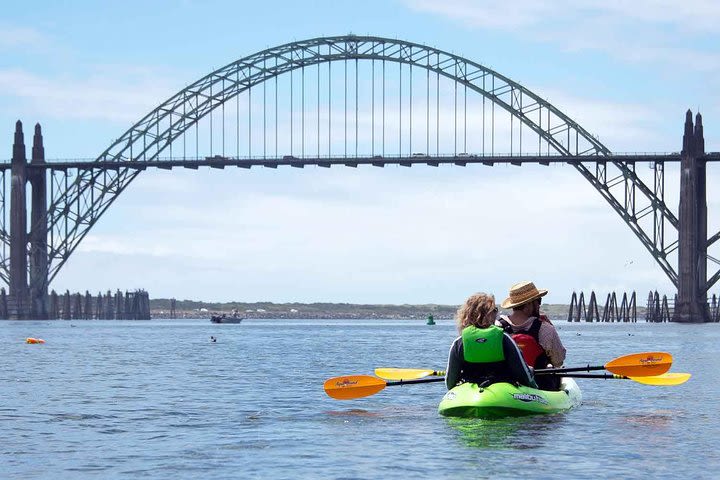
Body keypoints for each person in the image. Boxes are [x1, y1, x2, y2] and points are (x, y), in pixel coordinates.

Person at [445, 292, 537, 390]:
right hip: (503, 392)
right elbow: (523, 374)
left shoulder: (459, 342)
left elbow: (450, 382)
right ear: (489, 314)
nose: (496, 314)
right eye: (495, 310)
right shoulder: (504, 338)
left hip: (471, 393)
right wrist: (534, 387)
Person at [497, 281, 567, 391]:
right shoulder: (545, 329)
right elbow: (558, 361)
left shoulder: (497, 327)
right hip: (539, 387)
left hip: (504, 385)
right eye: (538, 301)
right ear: (528, 305)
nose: (539, 305)